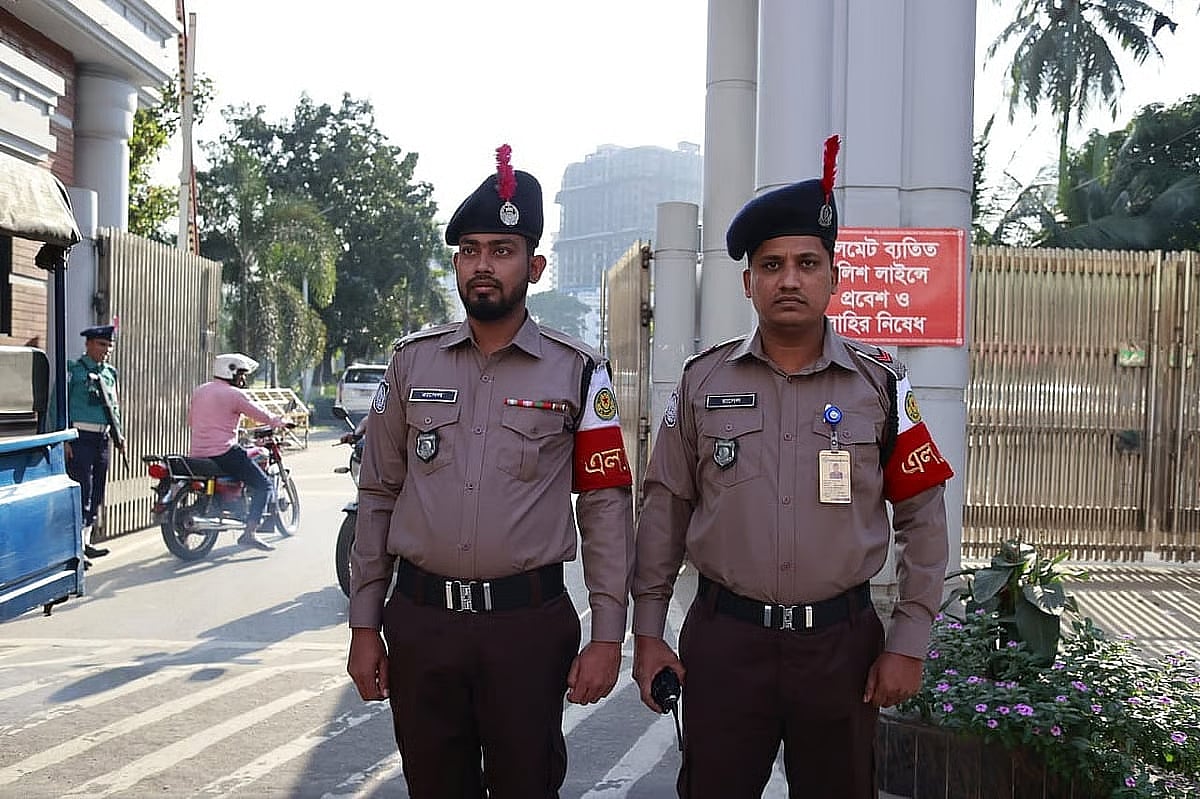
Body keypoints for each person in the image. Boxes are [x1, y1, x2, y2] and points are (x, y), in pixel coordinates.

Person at [630, 136, 954, 799]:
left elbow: (923, 518)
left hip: (841, 649)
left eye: (807, 263)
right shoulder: (701, 382)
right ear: (747, 281)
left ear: (834, 277)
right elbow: (664, 511)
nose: (789, 279)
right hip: (726, 644)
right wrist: (648, 633)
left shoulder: (882, 385)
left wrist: (909, 640)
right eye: (771, 264)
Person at [346, 144, 635, 799]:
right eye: (470, 250)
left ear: (534, 265)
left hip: (526, 629)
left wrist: (607, 635)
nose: (483, 265)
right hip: (423, 624)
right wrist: (365, 624)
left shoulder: (579, 371)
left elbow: (604, 508)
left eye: (502, 250)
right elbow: (379, 492)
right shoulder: (412, 363)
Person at [187, 353, 286, 552]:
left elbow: (191, 421)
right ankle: (250, 533)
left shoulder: (200, 391)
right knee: (264, 485)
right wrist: (278, 421)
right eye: (241, 374)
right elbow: (259, 413)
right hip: (224, 453)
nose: (243, 379)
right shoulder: (233, 394)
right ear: (230, 372)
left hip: (197, 453)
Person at [65, 324, 124, 565]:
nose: (106, 349)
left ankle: (86, 541)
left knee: (97, 490)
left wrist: (119, 434)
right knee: (83, 490)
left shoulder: (110, 373)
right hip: (80, 437)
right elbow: (59, 404)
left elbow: (114, 407)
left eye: (109, 346)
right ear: (88, 344)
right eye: (101, 344)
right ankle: (76, 548)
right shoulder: (74, 370)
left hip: (102, 438)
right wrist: (64, 439)